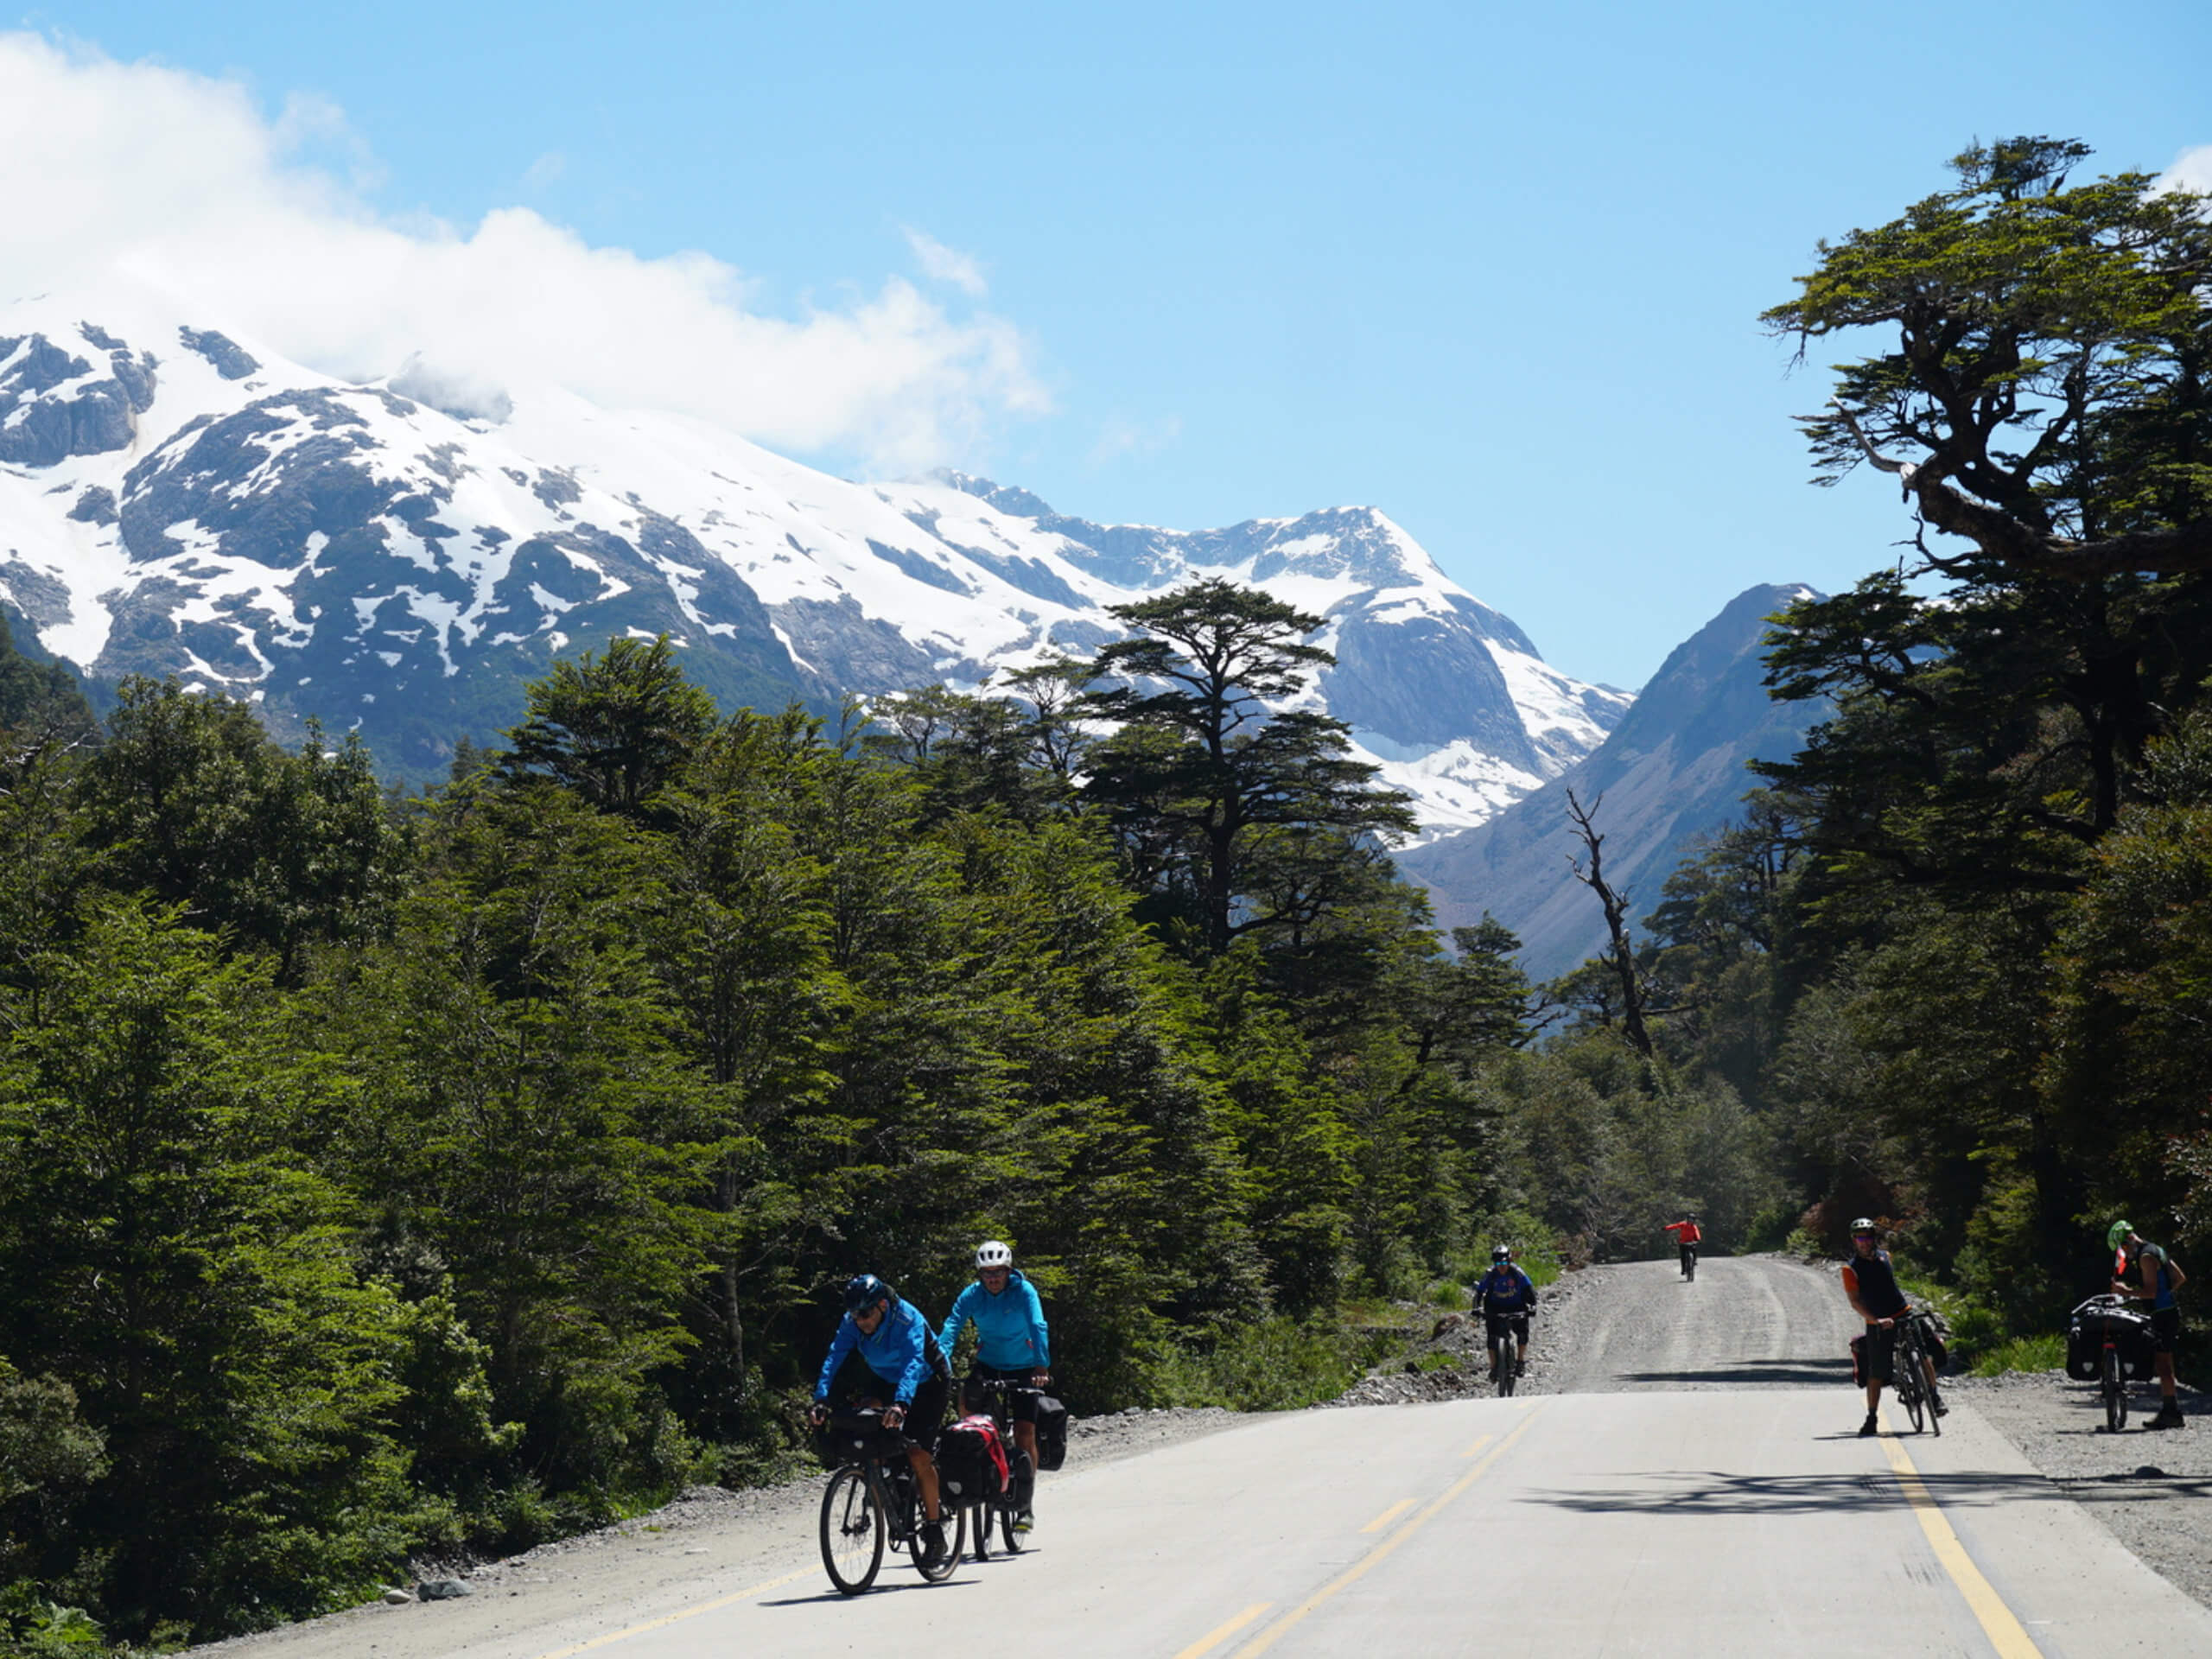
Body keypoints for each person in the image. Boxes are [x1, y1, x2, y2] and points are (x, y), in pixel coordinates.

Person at [808, 1274, 953, 1567]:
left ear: (883, 1305)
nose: (860, 1320)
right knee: (865, 1425)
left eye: (865, 1314)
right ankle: (887, 1479)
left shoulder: (906, 1319)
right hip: (884, 1378)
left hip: (928, 1381)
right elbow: (835, 1356)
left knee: (917, 1453)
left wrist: (901, 1405)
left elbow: (913, 1363)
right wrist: (821, 1399)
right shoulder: (852, 1322)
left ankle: (935, 1530)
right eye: (854, 1314)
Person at [938, 1239, 1051, 1532]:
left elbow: (1038, 1325)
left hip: (1026, 1366)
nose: (993, 1278)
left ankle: (1025, 1505)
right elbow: (953, 1324)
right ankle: (974, 1466)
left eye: (998, 1272)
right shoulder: (972, 1295)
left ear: (1008, 1271)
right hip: (989, 1362)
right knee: (967, 1408)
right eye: (987, 1273)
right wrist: (939, 1359)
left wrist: (1041, 1365)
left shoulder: (1024, 1291)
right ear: (979, 1274)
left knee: (1025, 1432)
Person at [1841, 1218, 1943, 1436]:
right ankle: (1871, 1418)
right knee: (1875, 1372)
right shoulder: (1851, 1269)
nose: (1865, 1242)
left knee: (1924, 1355)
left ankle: (1934, 1397)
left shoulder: (1886, 1256)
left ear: (1873, 1238)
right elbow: (1855, 1301)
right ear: (1854, 1240)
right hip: (1878, 1321)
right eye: (1860, 1237)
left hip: (1902, 1311)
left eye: (1868, 1237)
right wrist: (1875, 1320)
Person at [2108, 1220, 2188, 1429]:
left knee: (2163, 1367)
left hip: (2162, 1314)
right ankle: (2171, 1411)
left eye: (2123, 1248)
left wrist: (2126, 1292)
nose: (2125, 1254)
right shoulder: (2157, 1249)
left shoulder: (2145, 1257)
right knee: (2165, 1365)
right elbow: (2179, 1277)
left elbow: (2150, 1291)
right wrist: (2167, 1294)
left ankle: (2171, 1414)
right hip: (2168, 1311)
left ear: (2128, 1242)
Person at [1473, 1243, 1537, 1381]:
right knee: (1491, 1338)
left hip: (1516, 1306)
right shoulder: (1490, 1274)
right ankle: (1493, 1367)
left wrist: (1532, 1306)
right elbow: (1479, 1292)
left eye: (1504, 1262)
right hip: (1495, 1307)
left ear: (1509, 1261)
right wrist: (1476, 1308)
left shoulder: (1517, 1272)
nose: (1501, 1266)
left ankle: (1520, 1362)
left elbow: (1529, 1289)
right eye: (1498, 1263)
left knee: (1522, 1333)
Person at [1663, 1213, 1703, 1278]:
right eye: (1690, 1219)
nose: (1691, 1221)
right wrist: (1666, 1228)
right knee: (1683, 1256)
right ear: (1687, 1219)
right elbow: (1674, 1226)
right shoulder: (1683, 1224)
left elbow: (1697, 1233)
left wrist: (1698, 1239)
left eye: (1692, 1220)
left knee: (1694, 1250)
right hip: (1683, 1242)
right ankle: (1684, 1269)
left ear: (1694, 1220)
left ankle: (1695, 1260)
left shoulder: (1694, 1226)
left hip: (1691, 1242)